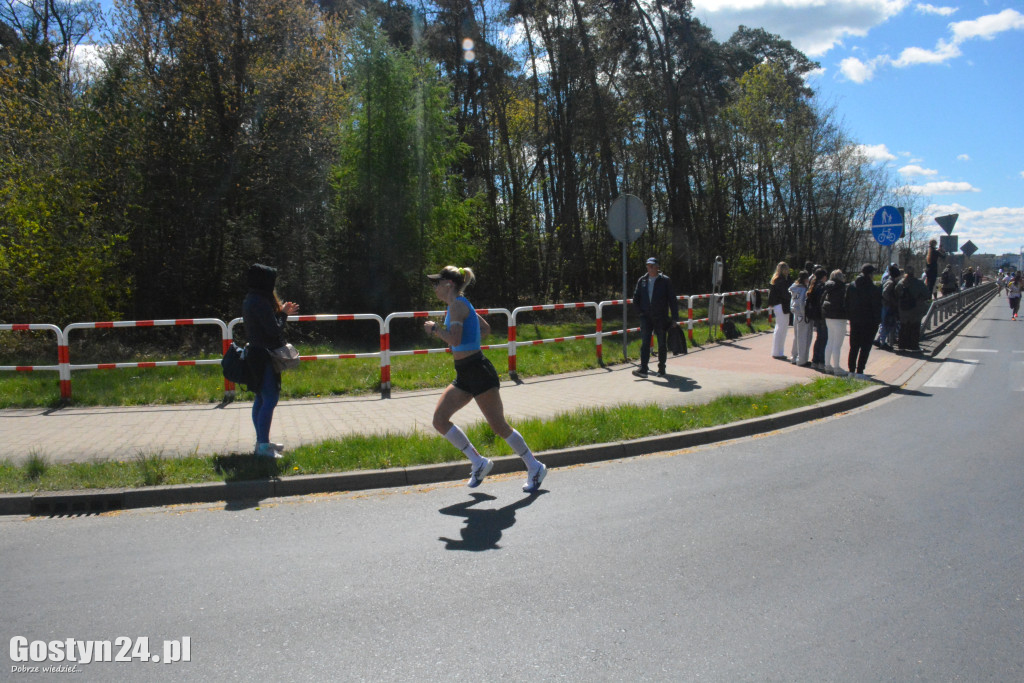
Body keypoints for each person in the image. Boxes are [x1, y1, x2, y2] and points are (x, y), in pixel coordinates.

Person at [425, 265, 547, 493]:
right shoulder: (459, 305)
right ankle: (479, 462)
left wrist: (435, 331)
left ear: (448, 284)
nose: (435, 287)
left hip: (479, 372)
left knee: (499, 426)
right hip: (465, 373)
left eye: (437, 283)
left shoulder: (458, 306)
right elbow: (485, 328)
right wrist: (464, 338)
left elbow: (455, 339)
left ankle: (535, 466)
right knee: (440, 420)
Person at [242, 263, 299, 458]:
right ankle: (263, 446)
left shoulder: (252, 298)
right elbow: (274, 329)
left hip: (256, 353)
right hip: (263, 355)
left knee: (261, 398)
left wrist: (281, 312)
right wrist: (283, 314)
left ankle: (262, 442)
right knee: (270, 398)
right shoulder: (259, 301)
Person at [631, 257, 680, 378]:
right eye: (648, 265)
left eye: (652, 266)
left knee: (661, 343)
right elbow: (635, 298)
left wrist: (674, 318)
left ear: (657, 267)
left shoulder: (665, 281)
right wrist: (640, 313)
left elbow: (672, 300)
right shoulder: (642, 280)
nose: (649, 268)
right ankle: (643, 369)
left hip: (661, 317)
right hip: (646, 317)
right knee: (645, 343)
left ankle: (661, 368)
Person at [844, 264, 882, 377]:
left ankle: (851, 371)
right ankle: (860, 371)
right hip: (869, 322)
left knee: (854, 346)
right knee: (865, 348)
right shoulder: (873, 289)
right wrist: (877, 321)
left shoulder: (852, 286)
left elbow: (847, 302)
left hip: (855, 321)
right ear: (870, 274)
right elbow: (876, 307)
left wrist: (850, 316)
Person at [895, 265, 930, 352]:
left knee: (903, 327)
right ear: (914, 273)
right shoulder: (919, 283)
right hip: (915, 309)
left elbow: (896, 294)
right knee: (915, 327)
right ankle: (913, 346)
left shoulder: (900, 283)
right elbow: (927, 295)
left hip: (903, 309)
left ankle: (902, 345)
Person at [821, 269, 847, 375]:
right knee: (837, 344)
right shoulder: (842, 288)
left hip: (828, 316)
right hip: (839, 317)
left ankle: (827, 365)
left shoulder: (827, 287)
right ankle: (837, 367)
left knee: (830, 341)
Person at [767, 261, 791, 360]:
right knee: (782, 329)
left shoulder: (776, 280)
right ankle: (778, 352)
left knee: (780, 328)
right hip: (781, 306)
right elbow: (785, 294)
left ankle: (778, 351)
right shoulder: (781, 281)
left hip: (778, 306)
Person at [806, 267, 829, 371]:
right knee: (823, 338)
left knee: (819, 338)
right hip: (821, 315)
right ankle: (821, 361)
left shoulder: (813, 286)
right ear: (824, 277)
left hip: (815, 315)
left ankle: (815, 360)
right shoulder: (822, 287)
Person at [788, 270, 812, 366]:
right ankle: (801, 359)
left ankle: (794, 357)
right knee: (803, 337)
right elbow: (803, 303)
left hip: (796, 314)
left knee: (796, 336)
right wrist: (805, 314)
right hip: (802, 314)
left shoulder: (794, 288)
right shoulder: (803, 290)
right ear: (806, 279)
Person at [877, 263, 901, 350]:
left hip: (886, 305)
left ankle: (879, 340)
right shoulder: (891, 282)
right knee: (886, 323)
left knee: (886, 323)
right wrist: (891, 301)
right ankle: (882, 342)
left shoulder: (889, 281)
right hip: (887, 305)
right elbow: (885, 293)